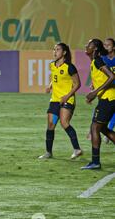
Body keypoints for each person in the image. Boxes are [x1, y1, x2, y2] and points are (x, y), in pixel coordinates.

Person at [38, 43, 83, 160]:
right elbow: (55, 77)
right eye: (54, 49)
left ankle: (77, 149)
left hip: (67, 100)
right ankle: (48, 152)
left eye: (58, 50)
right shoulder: (52, 65)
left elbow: (78, 84)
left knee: (64, 123)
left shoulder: (69, 67)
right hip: (55, 100)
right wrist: (49, 86)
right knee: (51, 125)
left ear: (64, 53)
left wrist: (67, 96)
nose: (55, 52)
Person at [81, 38, 115, 170]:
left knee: (95, 128)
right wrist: (94, 91)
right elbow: (102, 79)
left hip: (108, 99)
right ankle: (95, 162)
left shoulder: (98, 61)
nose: (86, 46)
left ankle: (95, 162)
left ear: (94, 48)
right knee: (103, 129)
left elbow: (112, 77)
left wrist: (95, 92)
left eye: (89, 44)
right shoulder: (94, 61)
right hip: (107, 98)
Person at [102, 37, 115, 140]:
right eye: (104, 45)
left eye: (108, 45)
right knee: (101, 107)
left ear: (114, 47)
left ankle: (108, 130)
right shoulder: (103, 58)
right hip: (108, 88)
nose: (106, 47)